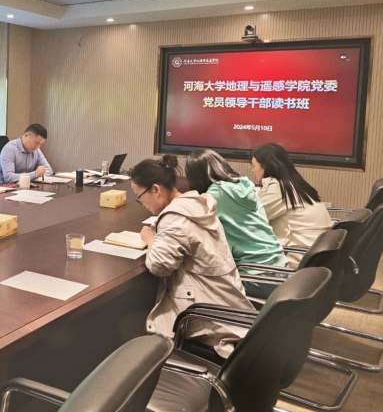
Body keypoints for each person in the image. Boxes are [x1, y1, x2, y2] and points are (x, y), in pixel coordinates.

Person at [132, 155, 254, 357]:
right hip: (226, 305)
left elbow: (158, 266)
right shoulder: (197, 205)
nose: (141, 202)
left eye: (140, 196)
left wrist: (151, 239)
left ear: (156, 189)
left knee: (127, 326)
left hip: (207, 318)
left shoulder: (175, 218)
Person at [185, 149, 287, 298]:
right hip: (281, 269)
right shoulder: (245, 184)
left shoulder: (217, 193)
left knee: (193, 282)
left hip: (256, 277)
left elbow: (188, 223)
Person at [251, 143, 333, 266]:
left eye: (254, 166)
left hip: (299, 254)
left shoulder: (279, 188)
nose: (254, 171)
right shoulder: (294, 183)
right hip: (318, 252)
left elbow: (251, 217)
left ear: (264, 167)